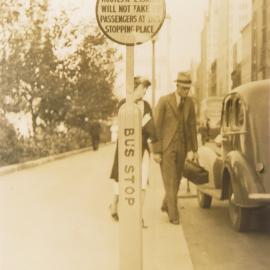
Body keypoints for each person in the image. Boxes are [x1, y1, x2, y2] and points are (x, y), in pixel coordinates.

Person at [109, 76, 157, 225]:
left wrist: (152, 146)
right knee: (122, 180)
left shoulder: (146, 106)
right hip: (126, 149)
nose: (144, 91)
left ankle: (138, 215)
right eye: (142, 88)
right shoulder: (124, 104)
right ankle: (114, 205)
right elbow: (124, 127)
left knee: (142, 182)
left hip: (142, 149)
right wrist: (141, 125)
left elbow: (151, 129)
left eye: (146, 89)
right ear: (134, 88)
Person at [152, 71, 198, 225]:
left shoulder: (190, 103)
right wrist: (156, 150)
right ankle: (174, 215)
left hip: (182, 147)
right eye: (184, 88)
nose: (186, 91)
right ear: (177, 86)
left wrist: (194, 150)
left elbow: (192, 126)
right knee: (170, 180)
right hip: (166, 147)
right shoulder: (164, 101)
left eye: (188, 88)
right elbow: (156, 127)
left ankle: (166, 204)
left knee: (177, 180)